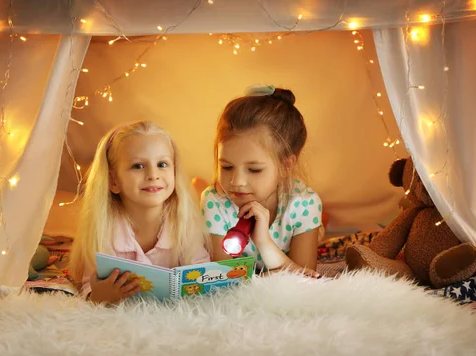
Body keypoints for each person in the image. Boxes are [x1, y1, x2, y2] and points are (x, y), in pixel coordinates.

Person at [69, 120, 210, 303]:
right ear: (113, 181)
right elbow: (90, 286)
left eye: (162, 164)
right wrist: (99, 296)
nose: (153, 175)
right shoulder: (103, 230)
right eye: (138, 166)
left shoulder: (184, 224)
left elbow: (202, 271)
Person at [202, 85, 322, 276]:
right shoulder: (214, 200)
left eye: (254, 169)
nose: (237, 181)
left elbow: (307, 278)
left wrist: (264, 242)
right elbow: (221, 277)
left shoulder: (304, 203)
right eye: (226, 167)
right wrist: (275, 275)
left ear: (286, 166)